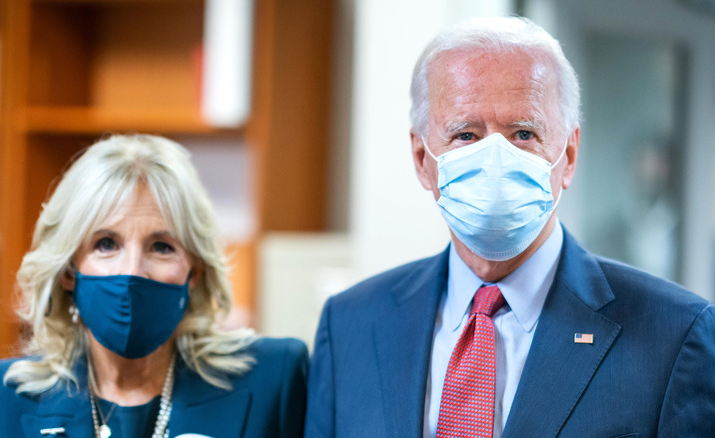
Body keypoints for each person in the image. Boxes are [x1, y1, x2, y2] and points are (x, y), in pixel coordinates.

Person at [305, 16, 715, 438]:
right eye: (465, 135)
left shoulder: (675, 336)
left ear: (568, 155)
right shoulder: (351, 324)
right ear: (422, 159)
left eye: (523, 133)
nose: (495, 157)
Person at [0, 135, 308, 437]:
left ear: (195, 271)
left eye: (161, 247)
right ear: (68, 271)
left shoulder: (274, 379)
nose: (132, 272)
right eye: (106, 244)